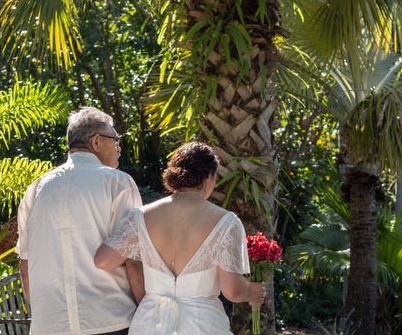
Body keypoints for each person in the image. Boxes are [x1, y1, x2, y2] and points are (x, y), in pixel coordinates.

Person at [94, 141, 264, 335]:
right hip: (202, 326)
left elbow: (103, 260)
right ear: (208, 176)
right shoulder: (226, 222)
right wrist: (253, 291)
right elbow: (233, 291)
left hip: (149, 323)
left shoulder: (140, 216)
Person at [16, 107, 143, 335]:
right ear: (96, 142)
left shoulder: (35, 189)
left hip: (50, 326)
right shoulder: (118, 183)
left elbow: (25, 264)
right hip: (110, 320)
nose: (118, 147)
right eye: (115, 139)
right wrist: (146, 312)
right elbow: (134, 258)